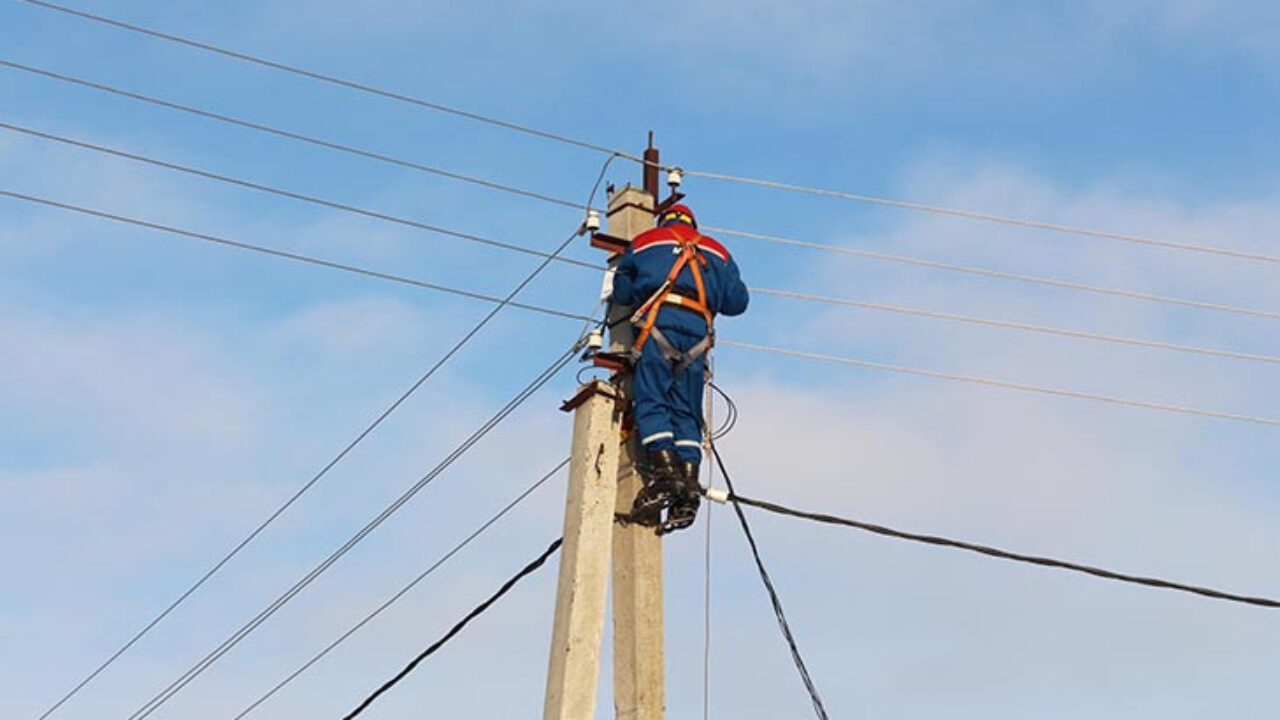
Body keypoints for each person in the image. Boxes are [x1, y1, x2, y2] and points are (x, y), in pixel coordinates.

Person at [611, 203, 749, 534]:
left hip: (658, 326)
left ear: (664, 221)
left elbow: (622, 292)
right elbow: (738, 302)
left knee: (652, 399)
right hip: (698, 335)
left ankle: (665, 474)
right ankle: (688, 484)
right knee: (687, 412)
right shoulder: (718, 252)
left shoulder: (645, 242)